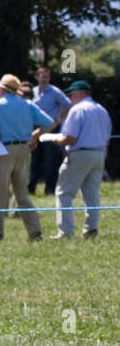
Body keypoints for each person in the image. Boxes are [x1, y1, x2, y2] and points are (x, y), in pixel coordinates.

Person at [0, 72, 54, 241]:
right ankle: (35, 231)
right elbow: (50, 123)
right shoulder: (28, 104)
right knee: (22, 194)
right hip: (24, 150)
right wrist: (34, 135)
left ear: (2, 89)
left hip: (4, 150)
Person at [46, 80, 111, 239]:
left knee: (64, 193)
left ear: (82, 93)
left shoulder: (77, 110)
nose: (69, 98)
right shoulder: (102, 110)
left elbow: (70, 138)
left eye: (71, 95)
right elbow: (107, 137)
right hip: (99, 154)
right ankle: (91, 229)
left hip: (80, 154)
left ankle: (66, 232)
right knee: (92, 194)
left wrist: (57, 140)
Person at [29, 67, 70, 195]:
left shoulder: (55, 92)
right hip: (35, 129)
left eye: (46, 76)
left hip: (50, 129)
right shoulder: (33, 92)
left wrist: (59, 119)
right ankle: (31, 188)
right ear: (37, 77)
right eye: (41, 76)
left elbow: (68, 104)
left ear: (49, 78)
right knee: (33, 160)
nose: (44, 78)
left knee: (49, 160)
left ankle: (50, 189)